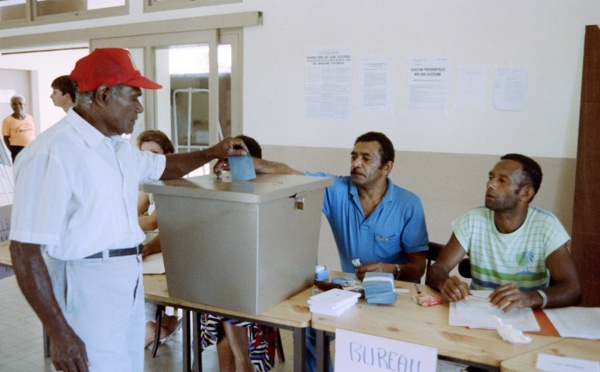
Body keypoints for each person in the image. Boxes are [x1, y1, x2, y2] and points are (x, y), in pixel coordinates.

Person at [8, 48, 246, 372]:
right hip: (88, 284)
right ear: (104, 95)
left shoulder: (116, 148)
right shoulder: (51, 154)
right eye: (133, 97)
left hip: (128, 281)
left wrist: (213, 152)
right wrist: (59, 331)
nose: (139, 107)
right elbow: (25, 250)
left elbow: (165, 166)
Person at [251, 131, 429, 372]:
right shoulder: (337, 189)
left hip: (396, 296)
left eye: (366, 158)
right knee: (310, 329)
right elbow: (292, 175)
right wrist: (247, 162)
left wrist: (392, 269)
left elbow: (418, 266)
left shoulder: (408, 203)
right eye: (354, 156)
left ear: (387, 167)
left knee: (383, 350)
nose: (356, 163)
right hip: (352, 292)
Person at [426, 153, 581, 312]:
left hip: (528, 317)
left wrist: (529, 298)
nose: (490, 184)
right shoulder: (472, 220)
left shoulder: (546, 226)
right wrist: (444, 283)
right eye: (491, 177)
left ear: (525, 194)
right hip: (478, 313)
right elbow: (438, 269)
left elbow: (573, 290)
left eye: (502, 180)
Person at [203, 134, 278, 372]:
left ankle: (242, 362)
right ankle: (236, 364)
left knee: (229, 303)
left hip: (257, 283)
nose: (227, 167)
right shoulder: (219, 188)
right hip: (225, 283)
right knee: (222, 301)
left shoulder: (269, 189)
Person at [136, 129, 181, 349]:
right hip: (159, 241)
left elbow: (151, 223)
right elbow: (137, 208)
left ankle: (154, 326)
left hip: (173, 246)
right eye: (143, 154)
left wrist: (128, 221)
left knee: (142, 273)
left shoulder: (171, 182)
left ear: (167, 155)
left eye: (154, 153)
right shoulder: (149, 180)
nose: (148, 159)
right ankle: (154, 324)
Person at [2, 94, 36, 162]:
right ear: (11, 106)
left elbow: (32, 133)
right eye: (14, 104)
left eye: (20, 103)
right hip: (17, 149)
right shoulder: (7, 120)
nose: (17, 106)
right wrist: (12, 150)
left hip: (31, 147)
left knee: (32, 169)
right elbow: (5, 138)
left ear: (24, 104)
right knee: (19, 171)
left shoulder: (30, 117)